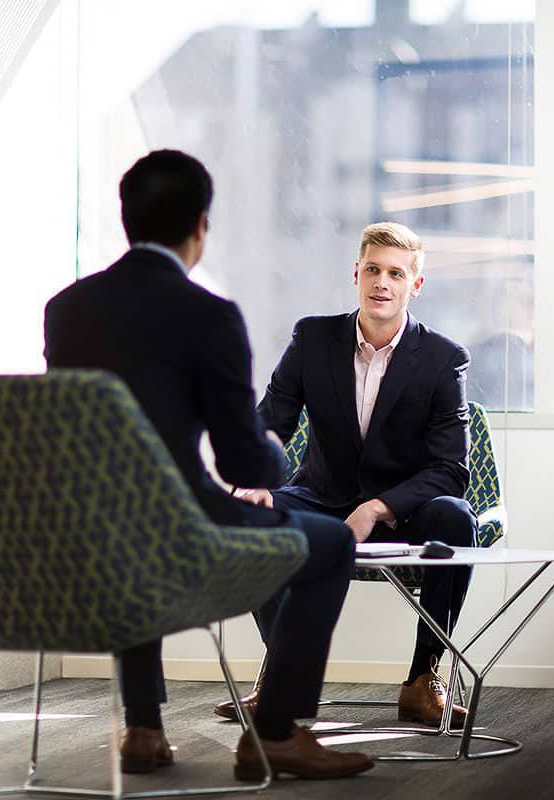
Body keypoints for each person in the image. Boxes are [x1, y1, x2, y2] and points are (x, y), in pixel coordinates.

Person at [43, 150, 371, 781]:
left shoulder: (66, 309)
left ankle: (142, 726)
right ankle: (275, 730)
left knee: (129, 525)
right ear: (200, 226)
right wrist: (277, 452)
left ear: (126, 219)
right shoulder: (209, 314)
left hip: (86, 532)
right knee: (330, 543)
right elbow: (244, 460)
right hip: (182, 533)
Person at [215, 222, 477, 727]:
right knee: (247, 511)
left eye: (396, 274)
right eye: (373, 270)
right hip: (320, 496)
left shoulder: (444, 359)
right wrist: (252, 481)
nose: (382, 282)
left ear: (414, 286)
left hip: (403, 509)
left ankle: (423, 680)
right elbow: (272, 422)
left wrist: (378, 507)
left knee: (455, 517)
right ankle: (285, 675)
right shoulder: (313, 337)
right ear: (356, 274)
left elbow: (450, 469)